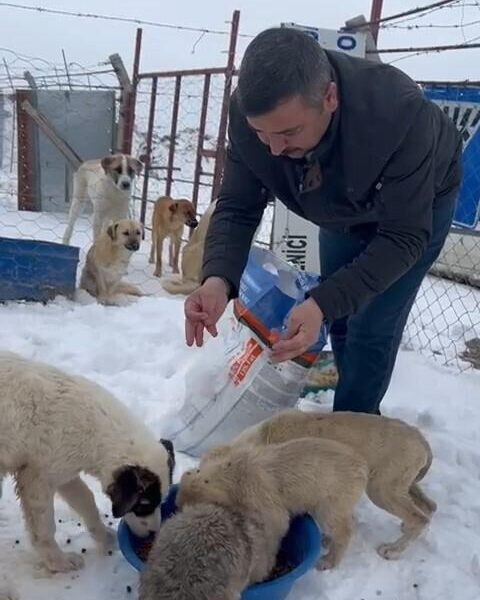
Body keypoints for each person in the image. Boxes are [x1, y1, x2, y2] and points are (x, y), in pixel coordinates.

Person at [184, 27, 462, 415]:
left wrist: (322, 304)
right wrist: (218, 278)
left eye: (288, 132)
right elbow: (238, 205)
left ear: (329, 97)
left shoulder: (399, 114)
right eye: (261, 133)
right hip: (340, 203)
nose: (275, 150)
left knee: (371, 326)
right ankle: (350, 405)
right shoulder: (253, 115)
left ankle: (354, 427)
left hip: (416, 207)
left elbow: (404, 237)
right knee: (340, 315)